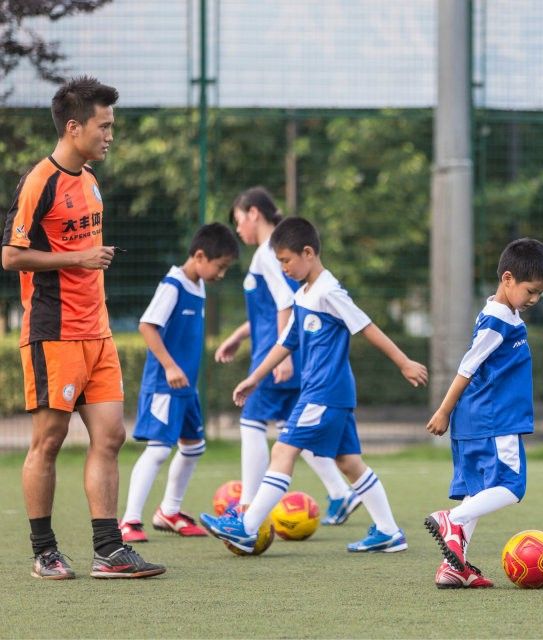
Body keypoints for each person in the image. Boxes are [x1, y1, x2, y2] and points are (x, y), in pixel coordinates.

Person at [0, 76, 164, 579]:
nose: (111, 134)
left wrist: (90, 262)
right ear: (74, 127)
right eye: (104, 125)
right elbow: (11, 256)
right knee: (48, 440)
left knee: (111, 435)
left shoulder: (90, 178)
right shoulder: (38, 183)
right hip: (55, 332)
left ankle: (108, 550)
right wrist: (80, 257)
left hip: (98, 332)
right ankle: (44, 551)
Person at [200, 217, 427, 553]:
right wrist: (253, 378)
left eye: (287, 261)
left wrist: (404, 362)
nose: (284, 268)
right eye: (279, 262)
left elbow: (365, 327)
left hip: (324, 393)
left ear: (308, 252)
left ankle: (246, 527)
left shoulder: (329, 291)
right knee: (349, 462)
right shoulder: (304, 294)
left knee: (282, 449)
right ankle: (389, 531)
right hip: (329, 394)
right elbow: (285, 342)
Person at [214, 188, 360, 525]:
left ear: (253, 213)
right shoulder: (271, 255)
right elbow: (270, 310)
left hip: (276, 355)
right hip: (279, 351)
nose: (238, 230)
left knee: (251, 421)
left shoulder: (269, 253)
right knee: (291, 430)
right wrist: (238, 335)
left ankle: (247, 509)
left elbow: (285, 305)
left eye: (238, 221)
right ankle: (339, 492)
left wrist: (282, 359)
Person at [424, 238, 543, 589]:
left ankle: (452, 567)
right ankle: (450, 520)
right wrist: (443, 410)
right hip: (494, 420)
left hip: (477, 420)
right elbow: (467, 368)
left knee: (477, 493)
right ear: (508, 279)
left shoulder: (501, 314)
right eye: (531, 291)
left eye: (540, 293)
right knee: (511, 487)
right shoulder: (497, 322)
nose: (534, 300)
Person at [118, 223, 239, 542]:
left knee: (194, 447)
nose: (221, 274)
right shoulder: (173, 285)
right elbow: (147, 326)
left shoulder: (197, 284)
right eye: (220, 266)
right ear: (200, 256)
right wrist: (170, 366)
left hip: (186, 389)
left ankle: (169, 512)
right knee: (158, 451)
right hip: (164, 385)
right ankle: (129, 522)